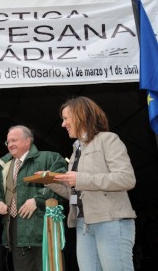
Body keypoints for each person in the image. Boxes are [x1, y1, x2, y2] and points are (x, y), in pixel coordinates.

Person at [49, 96, 136, 271]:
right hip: (83, 225)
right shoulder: (75, 151)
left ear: (80, 115)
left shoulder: (109, 139)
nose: (63, 124)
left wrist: (80, 178)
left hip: (110, 221)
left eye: (66, 119)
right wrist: (50, 181)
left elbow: (126, 178)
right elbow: (75, 191)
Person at [0, 125, 67, 271]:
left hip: (42, 230)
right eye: (8, 142)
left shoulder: (50, 158)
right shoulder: (5, 165)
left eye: (14, 140)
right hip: (15, 231)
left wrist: (38, 200)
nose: (10, 144)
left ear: (28, 141)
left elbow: (62, 184)